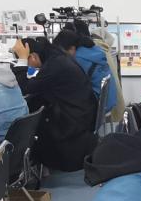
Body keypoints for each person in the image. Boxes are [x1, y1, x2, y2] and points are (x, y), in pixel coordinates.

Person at [12, 36, 98, 171]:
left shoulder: (54, 65)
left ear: (33, 56)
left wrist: (22, 60)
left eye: (27, 61)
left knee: (33, 114)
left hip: (73, 122)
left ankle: (28, 163)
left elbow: (24, 88)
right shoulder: (57, 58)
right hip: (82, 114)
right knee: (37, 103)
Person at [53, 27, 117, 111]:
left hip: (98, 105)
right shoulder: (95, 50)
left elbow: (70, 83)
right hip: (109, 101)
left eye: (63, 52)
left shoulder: (79, 58)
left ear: (71, 48)